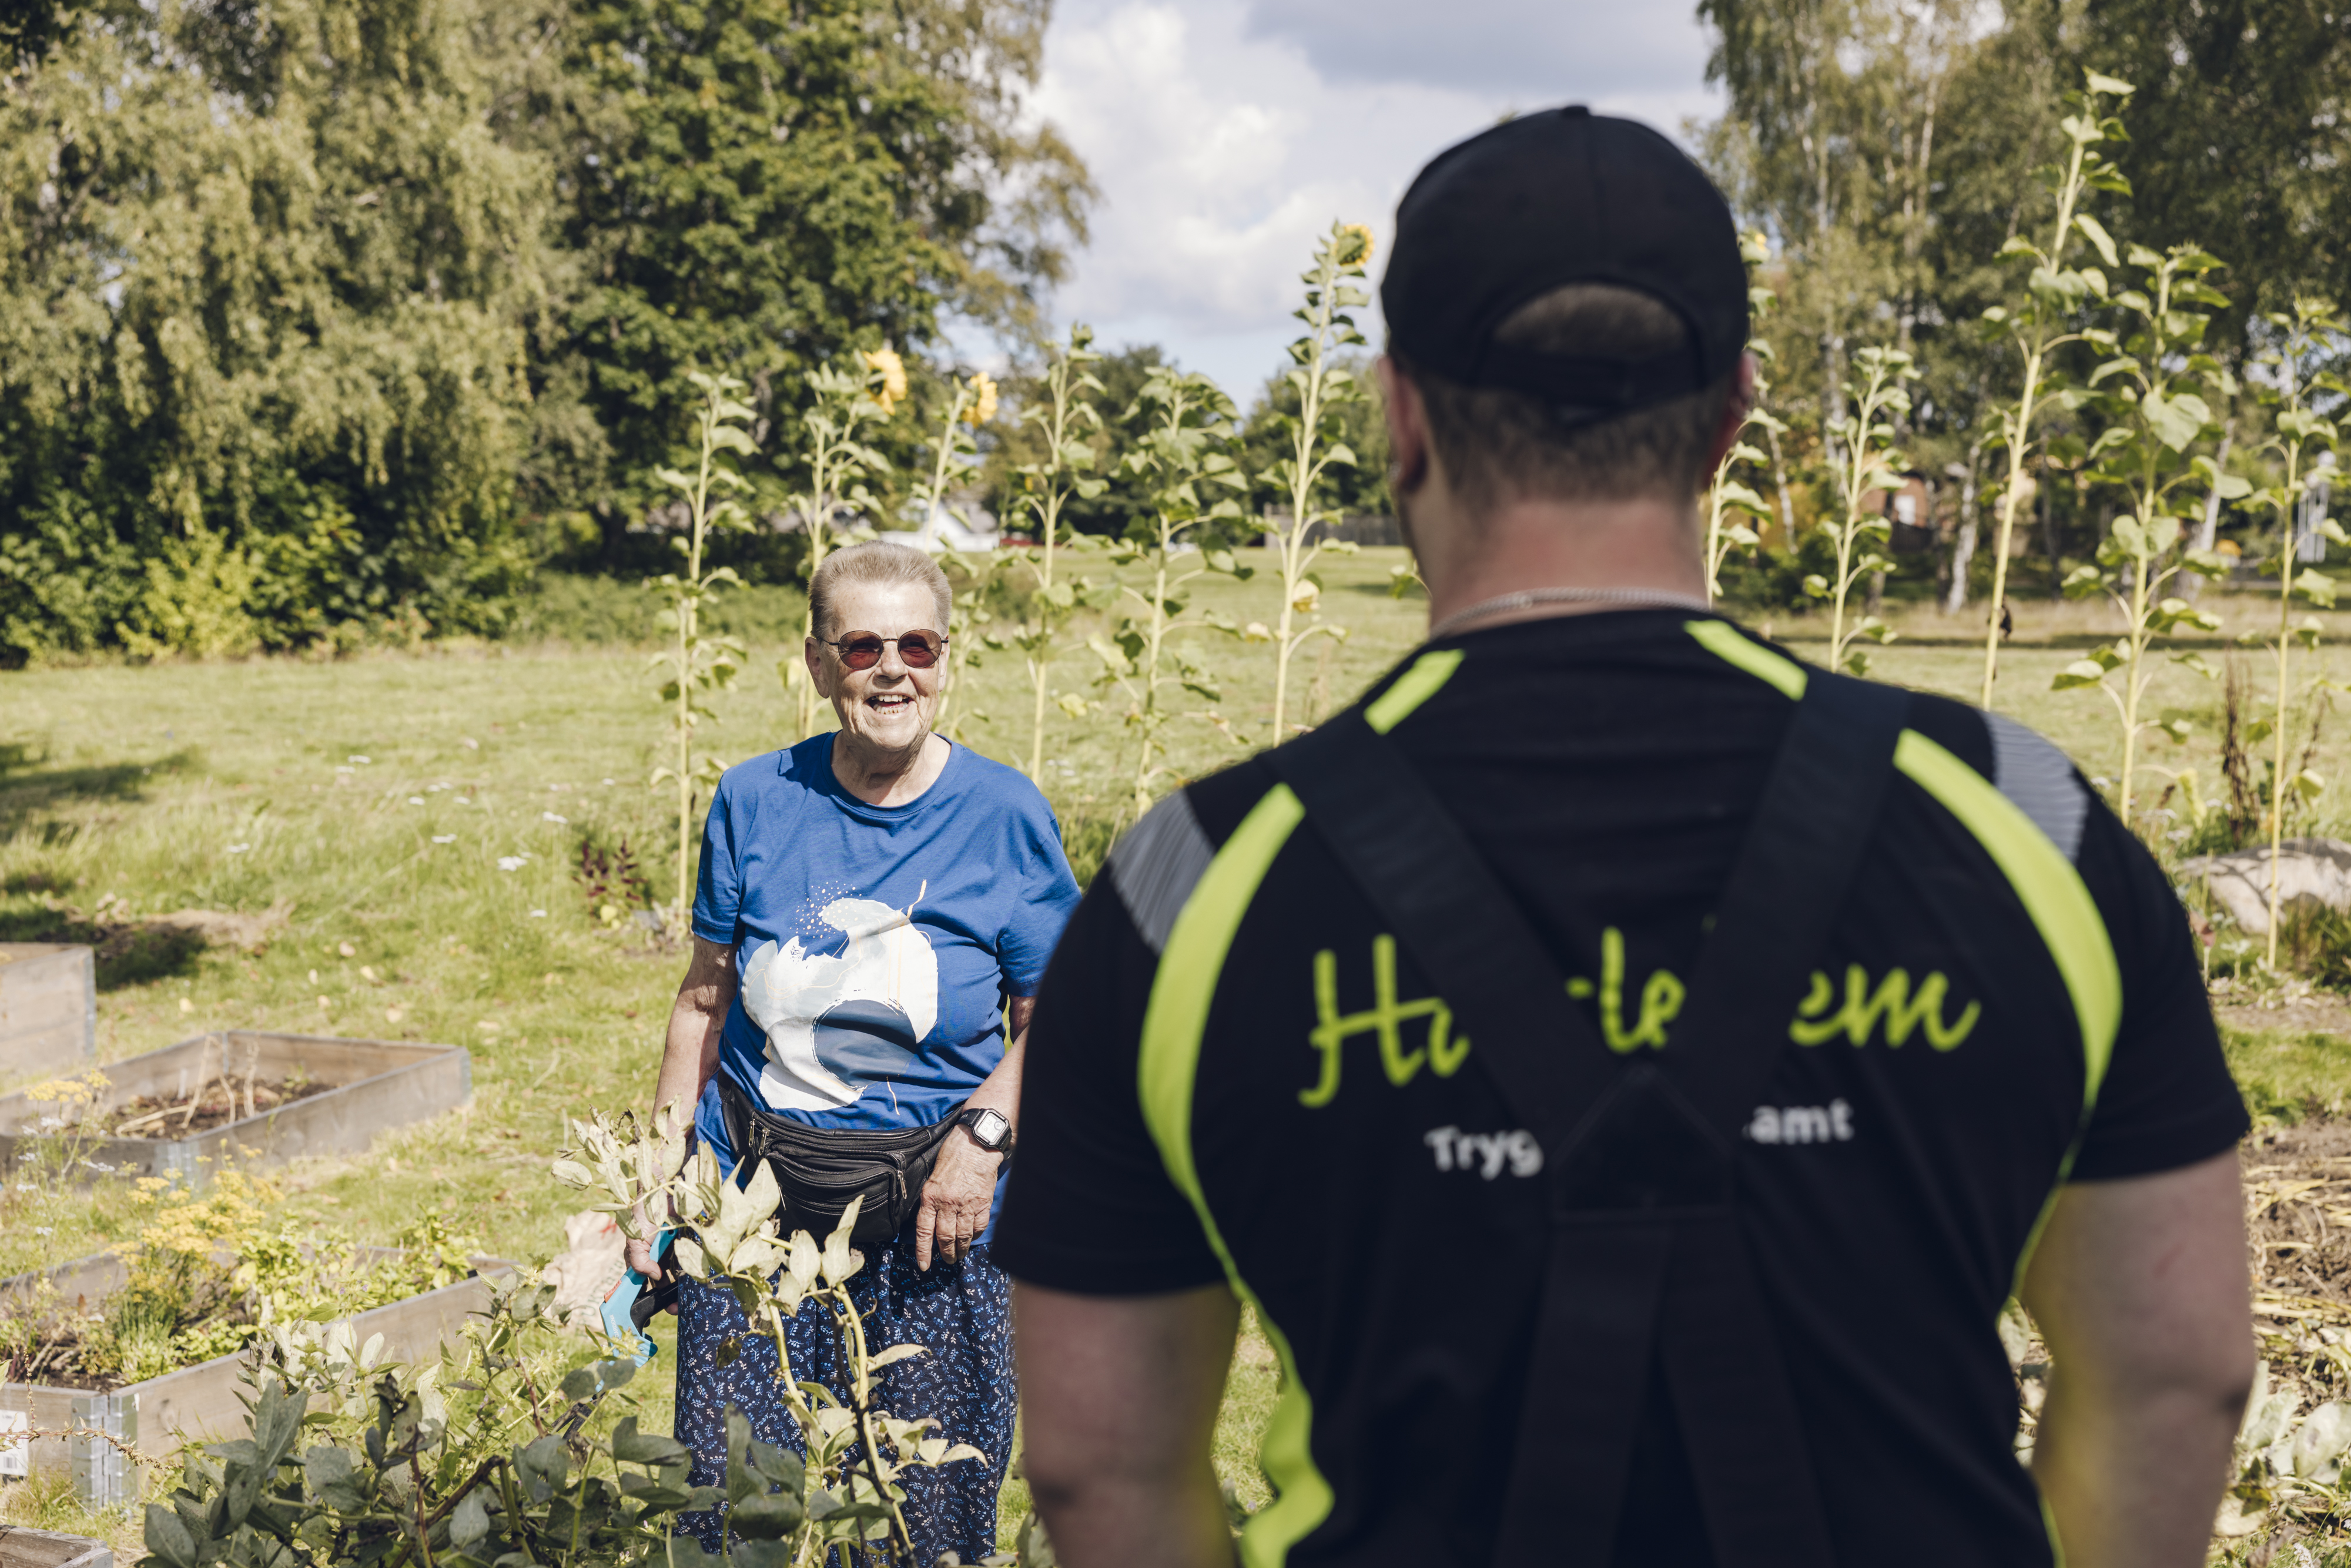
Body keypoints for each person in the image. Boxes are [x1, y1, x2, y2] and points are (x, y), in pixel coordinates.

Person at [994, 108, 2253, 1568]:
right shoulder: (2026, 820)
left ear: (1399, 414)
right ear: (1729, 417)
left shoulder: (1187, 882)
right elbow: (2177, 1371)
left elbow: (1100, 1469)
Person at [629, 539, 1081, 1561]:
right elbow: (702, 1003)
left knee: (923, 1511)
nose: (892, 669)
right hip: (754, 1210)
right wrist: (660, 1183)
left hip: (938, 1222)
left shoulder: (1004, 816)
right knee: (736, 1505)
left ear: (945, 658)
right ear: (819, 661)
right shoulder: (755, 800)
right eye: (863, 644)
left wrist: (986, 1139)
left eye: (916, 644)